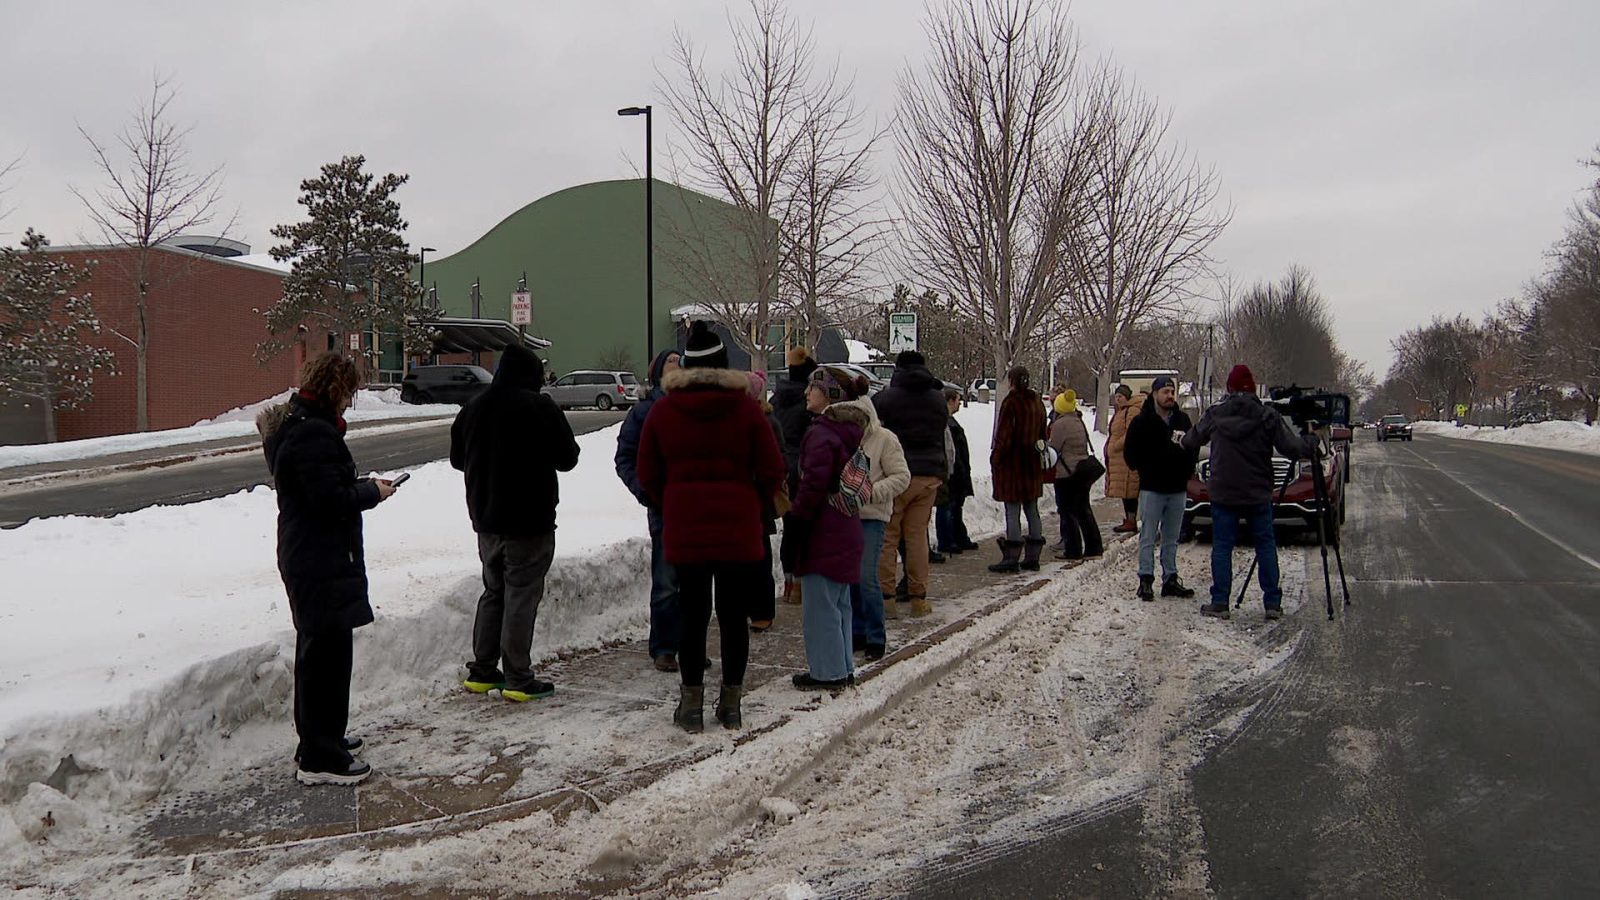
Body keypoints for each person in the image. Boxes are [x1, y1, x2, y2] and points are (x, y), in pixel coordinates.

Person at [638, 322, 785, 731]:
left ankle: (690, 706)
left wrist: (668, 503)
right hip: (738, 529)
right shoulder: (746, 411)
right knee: (734, 616)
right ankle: (732, 704)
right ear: (724, 362)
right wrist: (753, 502)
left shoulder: (664, 411)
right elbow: (773, 469)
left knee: (693, 614)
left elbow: (647, 472)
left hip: (685, 529)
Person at [258, 352, 396, 786]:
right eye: (349, 392)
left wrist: (360, 488)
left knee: (320, 652)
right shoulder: (312, 435)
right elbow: (328, 501)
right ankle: (321, 757)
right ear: (336, 388)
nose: (350, 401)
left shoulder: (300, 427)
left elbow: (322, 490)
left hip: (312, 554)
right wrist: (371, 492)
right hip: (320, 557)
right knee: (327, 658)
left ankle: (321, 738)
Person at [451, 344, 580, 702]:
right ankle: (519, 678)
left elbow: (457, 459)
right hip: (530, 521)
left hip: (486, 520)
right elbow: (568, 458)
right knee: (522, 595)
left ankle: (482, 670)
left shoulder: (474, 407)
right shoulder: (539, 407)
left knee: (494, 592)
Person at [1180, 364, 1316, 620]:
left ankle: (1220, 601)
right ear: (1252, 388)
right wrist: (1311, 442)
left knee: (1222, 546)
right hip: (1257, 492)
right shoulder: (1267, 415)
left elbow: (1191, 441)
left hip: (1223, 492)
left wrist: (1182, 439)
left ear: (1229, 388)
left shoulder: (1215, 414)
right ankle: (1272, 603)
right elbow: (1291, 448)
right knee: (1265, 544)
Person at [789, 367, 873, 688]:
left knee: (820, 607)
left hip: (823, 530)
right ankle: (843, 665)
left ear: (830, 395)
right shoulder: (849, 431)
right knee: (840, 604)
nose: (807, 392)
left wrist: (796, 525)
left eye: (814, 387)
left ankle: (828, 672)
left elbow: (812, 487)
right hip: (845, 526)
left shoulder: (822, 434)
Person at [822, 371, 910, 662]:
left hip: (871, 515)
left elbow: (901, 476)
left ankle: (875, 634)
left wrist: (869, 492)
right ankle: (856, 630)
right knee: (848, 576)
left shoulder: (884, 439)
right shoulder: (838, 436)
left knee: (866, 576)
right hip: (842, 514)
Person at [615, 349, 684, 671]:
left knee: (694, 583)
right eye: (672, 361)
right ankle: (664, 647)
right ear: (657, 371)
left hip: (697, 508)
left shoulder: (694, 406)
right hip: (665, 508)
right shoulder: (645, 411)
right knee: (667, 581)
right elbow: (625, 457)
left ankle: (690, 642)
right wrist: (646, 492)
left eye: (682, 361)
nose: (679, 364)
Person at [872, 350, 949, 618]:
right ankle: (919, 598)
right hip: (928, 475)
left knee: (889, 537)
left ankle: (886, 599)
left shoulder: (886, 398)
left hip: (896, 474)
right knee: (917, 537)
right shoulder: (938, 399)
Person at [1123, 376, 1198, 601]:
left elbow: (1193, 448)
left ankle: (1170, 578)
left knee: (1171, 537)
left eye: (1171, 391)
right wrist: (1146, 468)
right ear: (1155, 394)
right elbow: (1130, 453)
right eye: (1165, 391)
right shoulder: (1142, 422)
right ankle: (1145, 579)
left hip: (1176, 488)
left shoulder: (1182, 421)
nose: (1169, 396)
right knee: (1147, 535)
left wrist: (1185, 469)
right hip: (1152, 488)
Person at [989, 366, 1049, 573]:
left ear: (1012, 381)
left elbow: (1004, 436)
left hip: (1013, 465)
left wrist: (995, 458)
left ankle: (1011, 557)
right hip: (1031, 463)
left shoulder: (1011, 403)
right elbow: (1043, 433)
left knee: (1012, 510)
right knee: (1032, 509)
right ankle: (1033, 557)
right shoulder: (1037, 402)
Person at [772, 346, 819, 607]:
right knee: (805, 528)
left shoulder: (777, 398)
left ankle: (789, 582)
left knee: (790, 527)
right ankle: (801, 582)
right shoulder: (807, 403)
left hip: (784, 466)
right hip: (803, 466)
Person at [745, 369, 788, 633]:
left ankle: (762, 611)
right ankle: (752, 607)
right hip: (742, 497)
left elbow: (778, 460)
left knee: (760, 556)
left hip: (758, 499)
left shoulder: (768, 421)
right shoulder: (734, 419)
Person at [1047, 389, 1104, 563]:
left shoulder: (1060, 425)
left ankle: (1073, 549)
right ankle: (1094, 546)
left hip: (1066, 473)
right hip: (1081, 470)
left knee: (1067, 511)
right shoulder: (1078, 420)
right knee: (1083, 509)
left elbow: (1053, 449)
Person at [935, 387, 979, 556]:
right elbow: (952, 451)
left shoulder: (950, 423)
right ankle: (947, 540)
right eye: (958, 400)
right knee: (947, 506)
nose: (960, 403)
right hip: (951, 471)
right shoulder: (947, 424)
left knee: (955, 506)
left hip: (955, 470)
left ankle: (957, 537)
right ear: (950, 401)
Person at [1105, 384, 1143, 533]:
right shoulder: (1121, 411)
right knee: (1124, 490)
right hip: (1118, 459)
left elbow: (1131, 433)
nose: (1118, 399)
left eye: (1120, 396)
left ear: (1127, 397)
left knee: (1129, 490)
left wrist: (1116, 446)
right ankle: (1128, 518)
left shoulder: (1132, 411)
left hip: (1125, 457)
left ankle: (1131, 520)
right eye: (1116, 396)